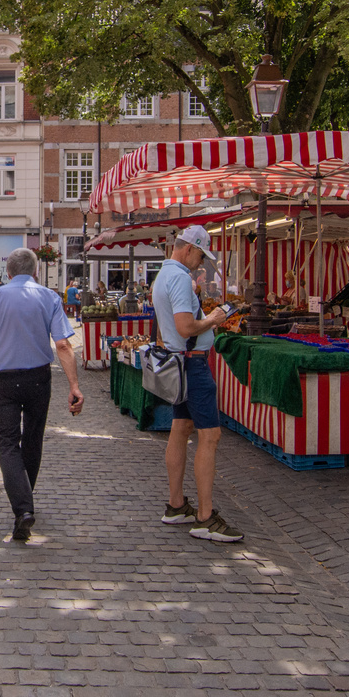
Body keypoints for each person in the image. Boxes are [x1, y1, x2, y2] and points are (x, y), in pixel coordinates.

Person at [0, 247, 84, 542]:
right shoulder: (49, 297)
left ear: (8, 272)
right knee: (33, 438)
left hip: (5, 380)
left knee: (7, 443)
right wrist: (74, 386)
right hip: (38, 378)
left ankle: (23, 507)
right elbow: (64, 346)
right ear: (35, 271)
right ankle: (24, 504)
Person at [152, 225, 241, 541]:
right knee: (210, 435)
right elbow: (186, 326)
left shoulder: (164, 275)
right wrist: (214, 320)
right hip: (192, 365)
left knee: (181, 428)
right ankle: (205, 516)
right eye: (201, 254)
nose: (201, 261)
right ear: (189, 248)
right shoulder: (178, 277)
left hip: (180, 362)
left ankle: (177, 505)